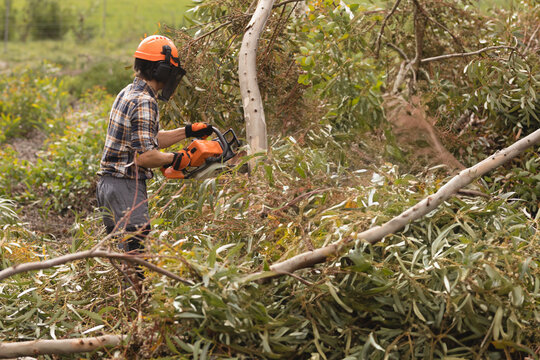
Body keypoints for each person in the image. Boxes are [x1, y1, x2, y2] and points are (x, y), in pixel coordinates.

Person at [96, 35, 213, 256]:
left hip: (107, 186)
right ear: (163, 71)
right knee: (136, 256)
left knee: (119, 255)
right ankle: (138, 291)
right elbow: (145, 157)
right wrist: (177, 158)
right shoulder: (145, 101)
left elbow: (146, 138)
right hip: (126, 186)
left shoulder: (128, 92)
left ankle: (126, 290)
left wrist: (187, 132)